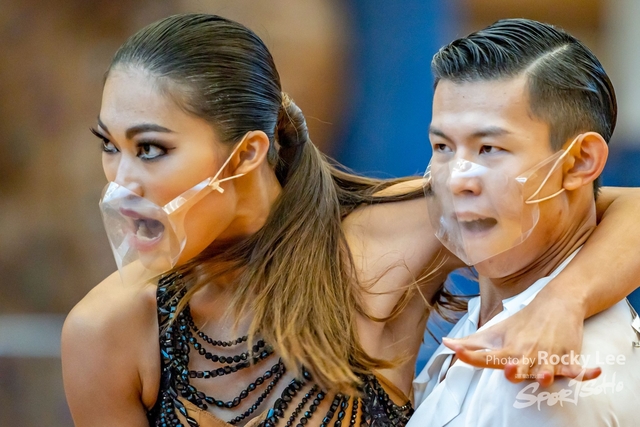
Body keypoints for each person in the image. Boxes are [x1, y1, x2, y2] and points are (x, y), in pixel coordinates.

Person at [61, 14, 640, 427]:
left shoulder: (391, 234)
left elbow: (611, 203)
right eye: (109, 145)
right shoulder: (109, 329)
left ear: (245, 154)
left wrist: (563, 301)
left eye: (151, 149)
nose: (120, 182)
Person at [410, 18, 640, 427]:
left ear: (579, 162)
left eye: (489, 148)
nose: (457, 179)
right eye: (442, 146)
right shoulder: (502, 311)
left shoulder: (546, 384)